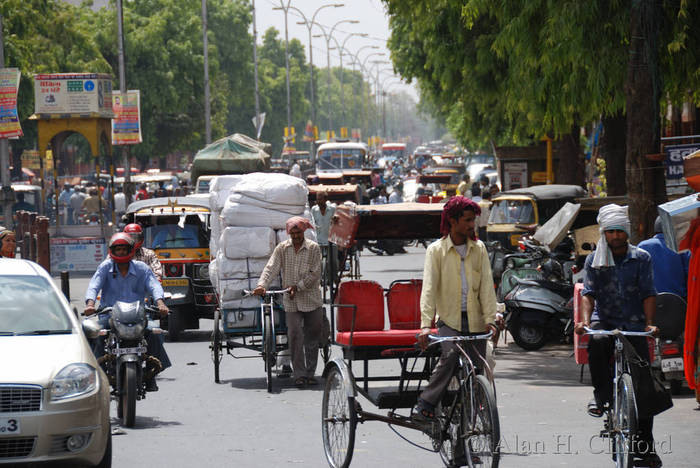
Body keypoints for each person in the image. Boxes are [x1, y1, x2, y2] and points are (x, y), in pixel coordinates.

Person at [574, 204, 662, 468]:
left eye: (618, 231)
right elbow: (588, 294)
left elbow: (648, 293)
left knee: (644, 388)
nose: (614, 236)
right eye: (610, 232)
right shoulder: (594, 260)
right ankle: (601, 398)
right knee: (598, 342)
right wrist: (586, 322)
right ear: (604, 233)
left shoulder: (642, 258)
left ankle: (645, 449)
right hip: (606, 320)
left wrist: (649, 324)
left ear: (627, 232)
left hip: (634, 323)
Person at [413, 197, 498, 429]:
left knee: (478, 370)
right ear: (452, 221)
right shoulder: (436, 251)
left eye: (474, 220)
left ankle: (468, 434)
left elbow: (487, 288)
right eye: (468, 220)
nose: (473, 225)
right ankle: (425, 403)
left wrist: (492, 320)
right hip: (449, 320)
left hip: (476, 320)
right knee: (450, 356)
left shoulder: (478, 249)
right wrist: (424, 325)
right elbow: (428, 289)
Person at [84, 233, 171, 391]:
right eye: (118, 249)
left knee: (155, 333)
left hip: (137, 315)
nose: (122, 252)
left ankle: (150, 374)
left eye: (124, 249)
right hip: (110, 315)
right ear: (112, 251)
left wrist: (160, 302)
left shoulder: (142, 268)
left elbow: (154, 285)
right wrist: (90, 303)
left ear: (131, 250)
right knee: (94, 333)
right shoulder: (106, 267)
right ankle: (97, 374)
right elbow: (94, 285)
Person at [254, 217, 323, 388]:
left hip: (311, 298)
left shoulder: (313, 248)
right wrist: (262, 285)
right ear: (288, 234)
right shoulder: (282, 249)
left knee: (312, 337)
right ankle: (299, 374)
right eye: (293, 233)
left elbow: (315, 274)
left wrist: (297, 287)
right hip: (291, 301)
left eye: (298, 232)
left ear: (304, 231)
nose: (296, 236)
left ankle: (310, 372)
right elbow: (271, 267)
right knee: (294, 335)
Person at [638, 216, 690, 298]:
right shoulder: (682, 247)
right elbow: (690, 275)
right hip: (679, 302)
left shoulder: (642, 246)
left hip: (649, 302)